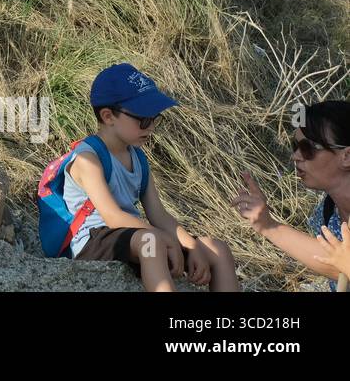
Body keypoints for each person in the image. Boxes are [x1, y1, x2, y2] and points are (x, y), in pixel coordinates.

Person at [55, 63, 238, 291]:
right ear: (108, 116)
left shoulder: (138, 159)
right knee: (152, 242)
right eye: (143, 119)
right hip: (94, 241)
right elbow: (113, 217)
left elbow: (159, 215)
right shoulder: (87, 159)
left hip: (136, 238)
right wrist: (163, 238)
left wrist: (191, 246)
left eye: (154, 118)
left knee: (217, 249)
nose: (150, 127)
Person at [232, 101, 349, 291]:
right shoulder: (326, 212)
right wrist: (266, 224)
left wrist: (270, 226)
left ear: (347, 156)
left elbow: (338, 267)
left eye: (308, 148)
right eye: (295, 146)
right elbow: (333, 265)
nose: (296, 156)